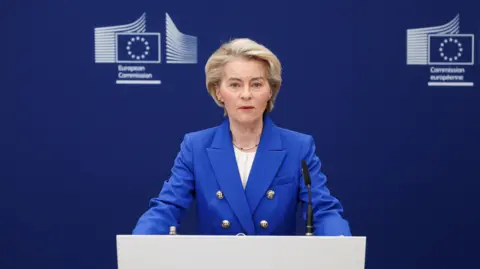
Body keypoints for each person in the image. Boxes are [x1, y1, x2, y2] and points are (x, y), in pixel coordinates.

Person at [132, 38, 351, 236]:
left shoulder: (298, 147)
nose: (246, 94)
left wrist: (340, 244)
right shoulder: (196, 147)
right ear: (218, 92)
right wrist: (139, 242)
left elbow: (323, 210)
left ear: (270, 91)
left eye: (256, 84)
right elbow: (167, 207)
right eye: (235, 84)